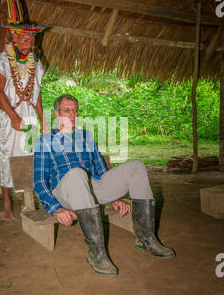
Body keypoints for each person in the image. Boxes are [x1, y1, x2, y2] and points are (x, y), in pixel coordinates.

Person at [33, 94, 175, 277]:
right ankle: (96, 254)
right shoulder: (45, 141)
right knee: (76, 173)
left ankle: (146, 238)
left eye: (75, 110)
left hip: (91, 188)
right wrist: (55, 209)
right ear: (56, 113)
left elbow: (101, 170)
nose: (72, 115)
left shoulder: (86, 136)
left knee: (136, 166)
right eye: (67, 110)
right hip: (65, 193)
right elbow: (38, 182)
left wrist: (114, 197)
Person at [0, 0, 48, 219]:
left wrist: (43, 118)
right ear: (14, 37)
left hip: (31, 117)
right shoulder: (3, 60)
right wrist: (13, 117)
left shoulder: (36, 62)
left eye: (32, 38)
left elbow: (37, 93)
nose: (30, 41)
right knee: (9, 156)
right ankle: (6, 204)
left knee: (31, 155)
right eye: (25, 37)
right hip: (10, 116)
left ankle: (28, 200)